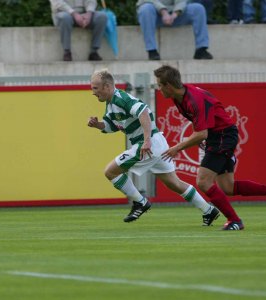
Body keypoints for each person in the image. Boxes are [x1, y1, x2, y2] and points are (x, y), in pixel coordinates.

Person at [154, 65, 266, 230]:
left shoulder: (193, 99)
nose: (159, 89)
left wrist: (177, 148)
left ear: (168, 85)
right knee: (227, 187)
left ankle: (235, 221)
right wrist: (205, 134)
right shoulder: (179, 98)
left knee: (203, 181)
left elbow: (201, 133)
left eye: (160, 85)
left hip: (223, 136)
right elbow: (203, 129)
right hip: (218, 135)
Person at [88, 69, 220, 225]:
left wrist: (146, 141)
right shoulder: (111, 104)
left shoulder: (120, 99)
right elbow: (112, 126)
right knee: (174, 183)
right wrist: (98, 125)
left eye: (95, 88)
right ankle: (208, 210)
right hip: (158, 143)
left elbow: (143, 112)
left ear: (108, 86)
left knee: (110, 171)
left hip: (148, 144)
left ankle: (140, 202)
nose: (93, 92)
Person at [136, 0, 213, 60]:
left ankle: (201, 50)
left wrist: (175, 14)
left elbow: (182, 1)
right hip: (153, 14)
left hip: (174, 14)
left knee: (198, 8)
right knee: (146, 9)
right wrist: (163, 12)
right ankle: (152, 50)